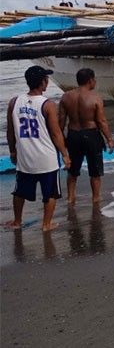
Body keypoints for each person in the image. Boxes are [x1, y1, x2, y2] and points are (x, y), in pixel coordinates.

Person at [5, 66, 70, 231]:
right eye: (46, 79)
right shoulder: (48, 105)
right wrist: (64, 154)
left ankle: (17, 221)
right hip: (46, 158)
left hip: (25, 156)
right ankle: (46, 224)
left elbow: (11, 131)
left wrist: (12, 151)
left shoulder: (14, 102)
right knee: (50, 193)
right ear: (43, 82)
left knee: (20, 191)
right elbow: (56, 134)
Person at [59, 68, 114, 204]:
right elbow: (101, 121)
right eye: (94, 79)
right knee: (95, 171)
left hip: (73, 135)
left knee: (72, 171)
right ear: (90, 80)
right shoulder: (95, 97)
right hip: (91, 135)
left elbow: (61, 122)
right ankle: (96, 197)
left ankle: (71, 198)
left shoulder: (66, 96)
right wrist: (109, 139)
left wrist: (61, 141)